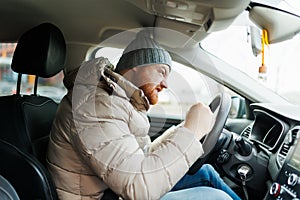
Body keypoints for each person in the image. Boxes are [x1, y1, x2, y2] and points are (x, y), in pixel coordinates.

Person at [47, 29, 241, 200]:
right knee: (214, 197)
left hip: (114, 190)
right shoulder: (97, 106)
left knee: (205, 173)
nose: (166, 84)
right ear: (136, 66)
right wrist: (191, 132)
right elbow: (138, 189)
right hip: (107, 196)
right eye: (161, 72)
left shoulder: (117, 101)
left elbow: (138, 159)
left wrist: (182, 131)